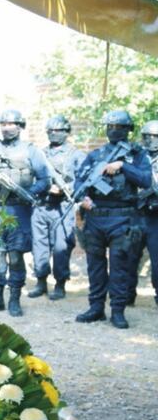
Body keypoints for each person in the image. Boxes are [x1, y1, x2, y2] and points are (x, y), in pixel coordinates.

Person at [74, 110, 152, 328]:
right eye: (110, 126)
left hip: (123, 218)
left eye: (119, 127)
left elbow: (146, 180)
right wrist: (83, 199)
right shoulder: (95, 155)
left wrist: (123, 166)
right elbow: (79, 182)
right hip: (96, 217)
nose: (114, 130)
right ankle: (96, 307)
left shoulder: (137, 156)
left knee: (120, 266)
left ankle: (118, 310)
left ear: (128, 130)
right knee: (95, 265)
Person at [0, 108, 49, 317]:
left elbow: (45, 180)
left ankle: (15, 299)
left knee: (16, 256)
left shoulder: (31, 151)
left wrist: (29, 192)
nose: (7, 128)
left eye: (11, 124)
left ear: (20, 127)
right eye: (4, 124)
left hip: (19, 210)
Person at [28, 115, 86, 300]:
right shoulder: (40, 154)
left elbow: (83, 179)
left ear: (66, 132)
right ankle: (41, 282)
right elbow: (30, 177)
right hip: (41, 205)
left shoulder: (76, 155)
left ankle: (60, 284)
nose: (54, 133)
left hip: (63, 207)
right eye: (50, 131)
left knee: (62, 246)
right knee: (39, 245)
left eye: (58, 130)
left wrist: (66, 188)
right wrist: (46, 187)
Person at [133, 119, 158, 307]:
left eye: (155, 136)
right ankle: (126, 295)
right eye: (147, 136)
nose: (150, 140)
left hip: (155, 217)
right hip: (135, 213)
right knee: (128, 258)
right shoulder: (137, 157)